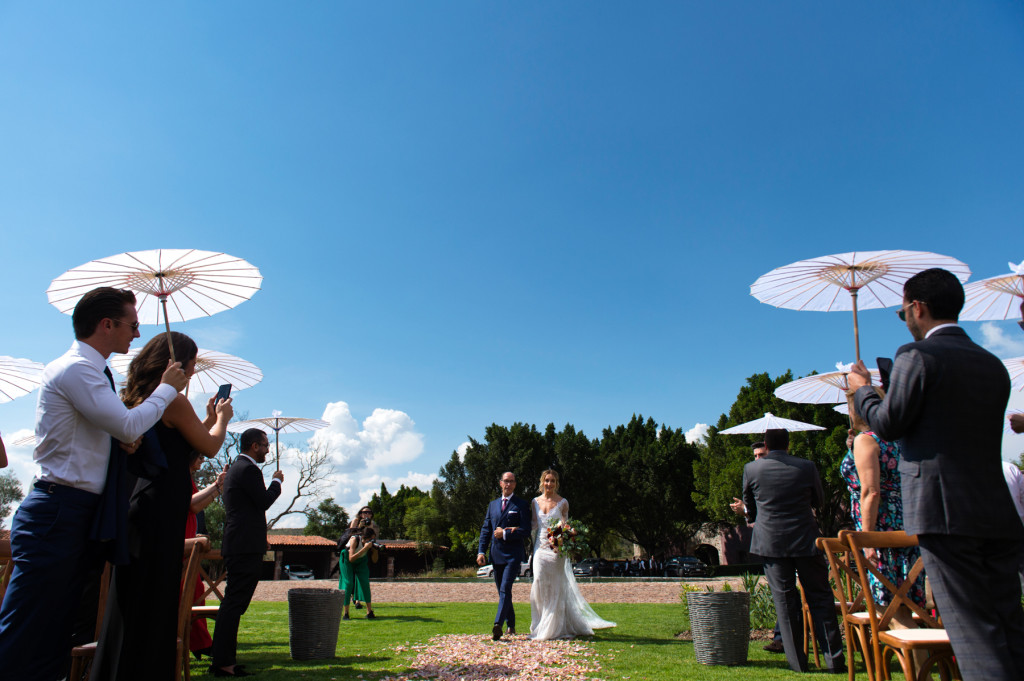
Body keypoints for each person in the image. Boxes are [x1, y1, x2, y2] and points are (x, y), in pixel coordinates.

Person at [0, 287, 187, 681]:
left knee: (55, 632)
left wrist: (121, 439)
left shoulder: (94, 372)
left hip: (76, 510)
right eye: (132, 325)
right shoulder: (77, 369)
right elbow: (127, 422)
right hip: (58, 511)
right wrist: (167, 387)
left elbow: (116, 429)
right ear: (107, 324)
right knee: (27, 632)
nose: (137, 335)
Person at [850, 267, 1024, 681]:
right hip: (996, 513)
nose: (904, 319)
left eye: (902, 312)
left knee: (972, 633)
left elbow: (889, 424)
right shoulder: (991, 365)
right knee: (1009, 628)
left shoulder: (917, 356)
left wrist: (863, 390)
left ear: (918, 308)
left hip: (944, 515)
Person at [93, 332, 233, 680]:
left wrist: (204, 419)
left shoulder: (145, 397)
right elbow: (211, 447)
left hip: (143, 505)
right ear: (178, 362)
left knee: (133, 601)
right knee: (155, 605)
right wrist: (223, 419)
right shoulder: (172, 400)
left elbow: (179, 448)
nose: (193, 370)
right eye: (193, 363)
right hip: (161, 512)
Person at [741, 428, 845, 674]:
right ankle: (834, 660)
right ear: (789, 444)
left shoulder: (752, 469)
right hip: (806, 539)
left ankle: (798, 663)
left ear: (765, 445)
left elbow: (750, 508)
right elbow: (818, 501)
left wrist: (758, 516)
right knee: (820, 598)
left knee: (785, 602)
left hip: (771, 542)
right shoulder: (806, 466)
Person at [839, 394, 926, 611]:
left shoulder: (867, 439)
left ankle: (914, 645)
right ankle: (917, 643)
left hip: (881, 525)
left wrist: (868, 540)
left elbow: (871, 492)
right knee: (908, 603)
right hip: (906, 520)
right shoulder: (902, 438)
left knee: (888, 608)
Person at [209, 428, 283, 678]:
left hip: (240, 542)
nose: (267, 450)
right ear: (253, 446)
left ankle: (224, 660)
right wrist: (277, 482)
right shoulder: (249, 469)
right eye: (264, 445)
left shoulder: (233, 470)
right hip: (243, 546)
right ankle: (223, 663)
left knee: (234, 603)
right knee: (233, 604)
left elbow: (248, 509)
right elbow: (263, 501)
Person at [529, 469, 614, 640]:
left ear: (556, 483)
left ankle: (554, 627)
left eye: (552, 481)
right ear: (542, 482)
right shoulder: (534, 502)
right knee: (538, 582)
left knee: (556, 586)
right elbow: (533, 525)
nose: (549, 484)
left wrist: (567, 536)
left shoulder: (563, 503)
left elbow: (565, 526)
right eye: (547, 480)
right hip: (540, 549)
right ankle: (540, 624)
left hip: (556, 551)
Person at [729, 441, 785, 654]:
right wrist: (745, 511)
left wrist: (747, 510)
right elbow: (759, 513)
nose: (757, 459)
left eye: (761, 454)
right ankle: (782, 638)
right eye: (755, 456)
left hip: (787, 541)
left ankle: (785, 639)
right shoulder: (756, 480)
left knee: (787, 593)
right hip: (772, 542)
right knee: (782, 592)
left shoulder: (782, 475)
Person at [477, 471, 531, 640]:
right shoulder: (492, 505)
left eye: (512, 481)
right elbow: (486, 529)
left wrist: (506, 533)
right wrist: (481, 551)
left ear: (515, 484)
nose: (508, 484)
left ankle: (498, 624)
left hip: (513, 555)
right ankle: (512, 625)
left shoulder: (521, 504)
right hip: (496, 554)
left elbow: (526, 530)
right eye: (506, 481)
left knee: (506, 588)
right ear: (500, 483)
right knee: (502, 592)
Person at [188, 455, 228, 659]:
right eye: (199, 456)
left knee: (195, 591)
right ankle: (197, 643)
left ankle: (200, 643)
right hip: (182, 549)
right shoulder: (180, 475)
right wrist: (216, 487)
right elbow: (192, 505)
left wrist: (217, 487)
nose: (202, 459)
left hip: (189, 548)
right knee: (189, 594)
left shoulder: (190, 478)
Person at [339, 525, 378, 620]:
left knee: (365, 583)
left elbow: (375, 560)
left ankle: (369, 612)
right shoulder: (354, 540)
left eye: (373, 539)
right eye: (370, 539)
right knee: (349, 584)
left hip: (361, 560)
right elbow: (351, 558)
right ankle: (346, 613)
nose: (371, 541)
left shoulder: (370, 544)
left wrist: (375, 550)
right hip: (347, 559)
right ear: (364, 537)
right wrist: (365, 548)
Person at [348, 506, 380, 609]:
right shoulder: (356, 521)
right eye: (364, 512)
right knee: (352, 577)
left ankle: (358, 600)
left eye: (369, 512)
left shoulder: (373, 524)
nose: (367, 514)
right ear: (360, 513)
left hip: (365, 550)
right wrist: (360, 527)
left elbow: (373, 537)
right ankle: (354, 597)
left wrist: (370, 527)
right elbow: (350, 535)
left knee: (362, 576)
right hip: (354, 548)